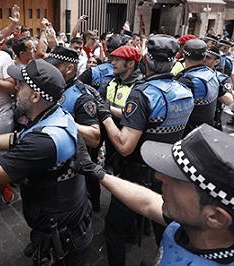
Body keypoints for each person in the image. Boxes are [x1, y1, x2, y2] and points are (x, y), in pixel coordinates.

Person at [0, 59, 93, 266]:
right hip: (59, 224)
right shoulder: (53, 115)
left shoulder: (43, 142)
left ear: (35, 96)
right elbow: (18, 138)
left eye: (21, 84)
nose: (15, 88)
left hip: (65, 241)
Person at [77, 123, 234, 265]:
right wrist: (97, 172)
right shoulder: (192, 221)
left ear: (216, 217)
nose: (159, 176)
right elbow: (148, 203)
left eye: (178, 179)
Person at [100, 34, 194, 266]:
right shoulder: (184, 90)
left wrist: (104, 115)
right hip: (169, 172)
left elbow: (124, 146)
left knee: (113, 229)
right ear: (174, 61)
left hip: (137, 174)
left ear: (147, 62)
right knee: (167, 225)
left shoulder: (143, 94)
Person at [45, 46, 102, 210]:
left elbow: (94, 137)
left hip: (77, 165)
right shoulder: (55, 87)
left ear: (69, 69)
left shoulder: (81, 96)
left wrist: (62, 120)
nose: (50, 70)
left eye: (55, 66)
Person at [102, 45, 143, 175]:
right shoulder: (113, 82)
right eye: (113, 59)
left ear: (130, 63)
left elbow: (131, 115)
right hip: (110, 137)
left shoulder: (139, 87)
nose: (112, 63)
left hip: (127, 140)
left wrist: (106, 109)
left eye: (117, 60)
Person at [175, 39, 219, 136]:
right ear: (204, 57)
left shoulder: (187, 81)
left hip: (189, 135)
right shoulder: (211, 74)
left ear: (183, 55)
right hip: (206, 131)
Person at [203, 46, 234, 130]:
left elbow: (229, 101)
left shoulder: (221, 78)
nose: (204, 59)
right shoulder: (191, 73)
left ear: (216, 62)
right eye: (203, 56)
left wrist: (216, 87)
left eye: (208, 57)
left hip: (211, 122)